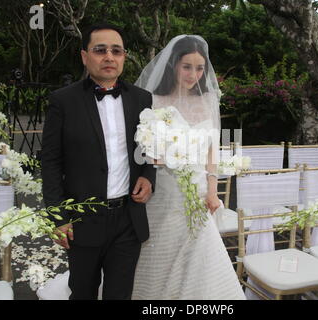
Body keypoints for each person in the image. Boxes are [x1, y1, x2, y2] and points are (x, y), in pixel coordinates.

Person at [40, 23, 156, 300]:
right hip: (83, 221)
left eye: (116, 51)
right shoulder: (62, 101)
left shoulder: (142, 99)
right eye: (100, 50)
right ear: (84, 56)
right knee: (82, 293)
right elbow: (51, 162)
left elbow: (148, 148)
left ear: (124, 57)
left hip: (128, 218)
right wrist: (57, 217)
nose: (109, 57)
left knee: (120, 295)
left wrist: (148, 176)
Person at [132, 35, 246, 299]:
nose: (193, 74)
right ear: (174, 65)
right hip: (164, 192)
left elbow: (211, 150)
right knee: (161, 253)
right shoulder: (153, 101)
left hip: (198, 193)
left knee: (200, 257)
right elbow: (142, 149)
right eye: (187, 66)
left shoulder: (208, 100)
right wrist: (158, 157)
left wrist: (212, 190)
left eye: (199, 68)